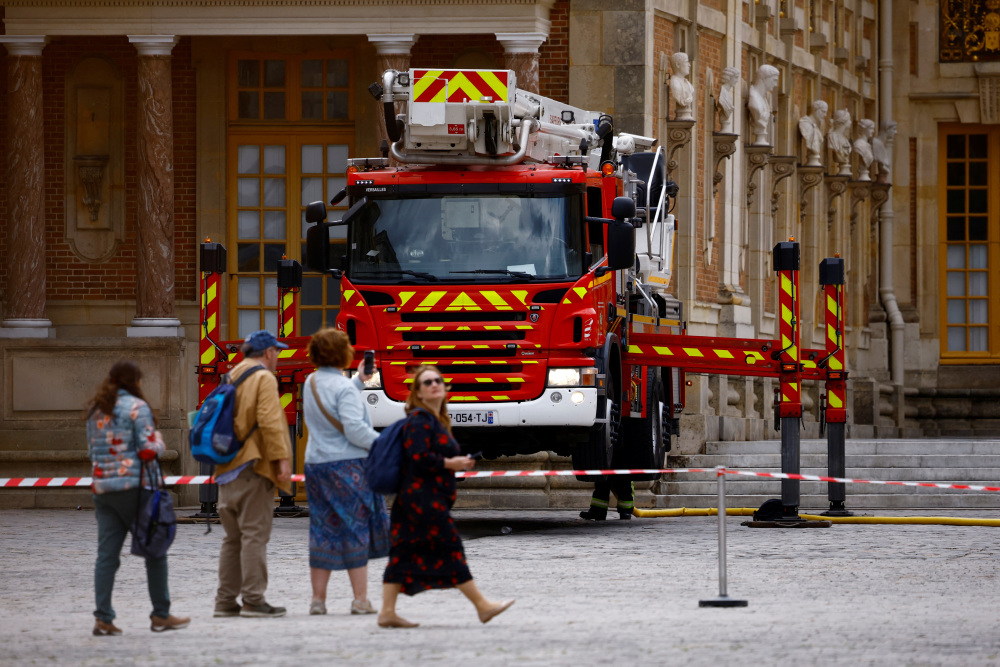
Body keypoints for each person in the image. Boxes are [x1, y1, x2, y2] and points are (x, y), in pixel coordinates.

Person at [378, 365, 515, 629]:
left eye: (438, 380)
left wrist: (455, 463)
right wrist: (452, 463)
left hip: (419, 501)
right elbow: (419, 459)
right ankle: (482, 606)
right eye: (427, 382)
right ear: (418, 392)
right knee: (451, 548)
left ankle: (387, 612)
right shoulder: (419, 421)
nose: (434, 385)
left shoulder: (435, 421)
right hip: (421, 502)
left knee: (402, 554)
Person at [86, 360, 190, 635]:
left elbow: (92, 450)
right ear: (135, 382)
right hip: (135, 487)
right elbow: (147, 450)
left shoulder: (96, 410)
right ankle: (160, 614)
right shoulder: (137, 407)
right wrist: (159, 440)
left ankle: (103, 617)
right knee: (155, 551)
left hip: (103, 489)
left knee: (106, 555)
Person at [302, 328, 390, 616]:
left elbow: (332, 400)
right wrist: (385, 443)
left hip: (316, 463)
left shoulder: (310, 381)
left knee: (323, 528)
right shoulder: (341, 388)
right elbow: (354, 430)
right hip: (347, 465)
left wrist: (359, 382)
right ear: (343, 353)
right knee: (355, 528)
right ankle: (360, 599)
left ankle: (318, 600)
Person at [213, 330, 293, 619]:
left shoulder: (232, 375)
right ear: (268, 352)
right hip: (252, 466)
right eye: (277, 351)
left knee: (233, 538)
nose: (278, 357)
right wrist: (281, 458)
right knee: (254, 535)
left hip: (227, 467)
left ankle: (224, 603)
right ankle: (253, 600)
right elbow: (270, 421)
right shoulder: (263, 378)